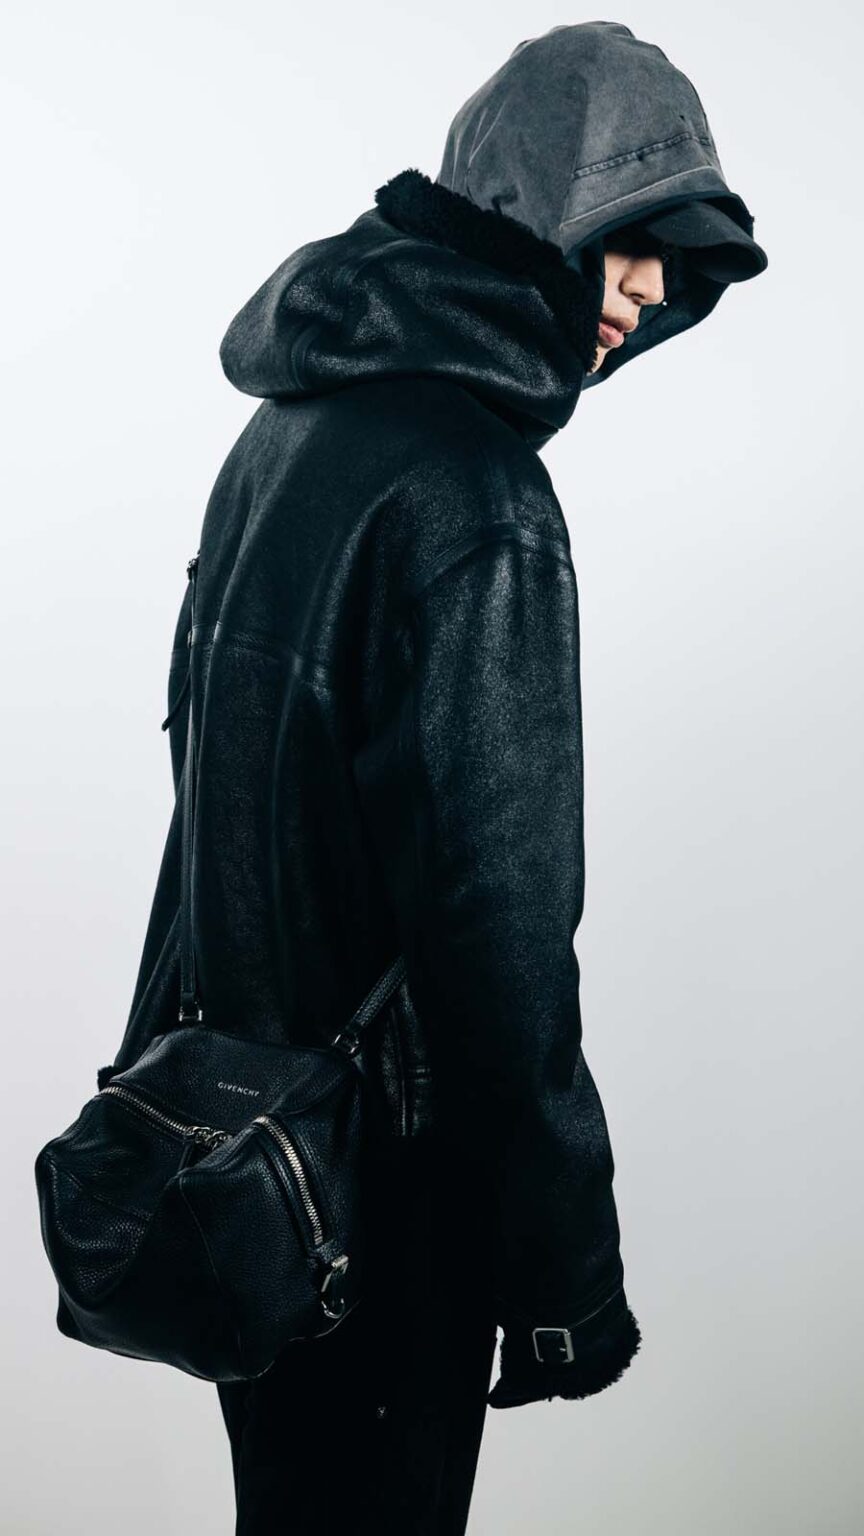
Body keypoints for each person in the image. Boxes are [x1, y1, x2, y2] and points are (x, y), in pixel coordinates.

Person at [104, 20, 767, 1535]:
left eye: (673, 265)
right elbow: (503, 934)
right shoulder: (478, 498)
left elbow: (204, 798)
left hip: (241, 1158)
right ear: (538, 219)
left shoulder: (290, 431)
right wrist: (567, 1277)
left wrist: (176, 1086)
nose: (646, 294)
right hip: (386, 1196)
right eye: (630, 243)